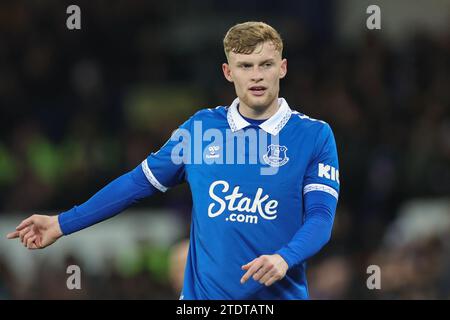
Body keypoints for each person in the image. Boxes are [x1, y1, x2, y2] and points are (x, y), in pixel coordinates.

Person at [7, 21, 340, 299]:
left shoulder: (314, 136)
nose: (256, 76)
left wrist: (285, 258)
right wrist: (62, 223)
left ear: (281, 67)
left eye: (265, 64)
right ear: (228, 71)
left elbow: (321, 218)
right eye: (245, 66)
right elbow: (137, 183)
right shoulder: (200, 130)